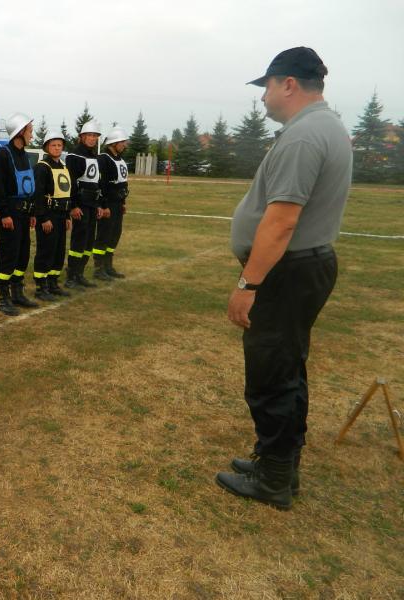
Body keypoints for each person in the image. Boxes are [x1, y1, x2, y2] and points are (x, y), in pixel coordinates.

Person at [215, 47, 352, 510]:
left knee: (271, 373)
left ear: (288, 84)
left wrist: (248, 285)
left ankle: (273, 478)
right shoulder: (324, 126)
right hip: (302, 267)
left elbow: (281, 221)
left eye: (268, 86)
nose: (263, 97)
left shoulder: (304, 136)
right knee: (287, 368)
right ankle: (279, 464)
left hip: (286, 272)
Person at [0, 112, 38, 315]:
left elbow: (29, 187)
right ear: (19, 132)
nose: (32, 135)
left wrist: (32, 212)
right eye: (29, 131)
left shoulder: (24, 155)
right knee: (8, 255)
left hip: (25, 214)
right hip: (11, 213)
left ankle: (17, 292)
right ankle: (4, 298)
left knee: (22, 254)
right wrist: (4, 214)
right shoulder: (4, 154)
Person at [32, 130, 73, 301]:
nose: (57, 148)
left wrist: (68, 216)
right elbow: (38, 195)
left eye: (59, 145)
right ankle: (41, 286)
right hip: (49, 216)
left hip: (61, 216)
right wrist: (44, 218)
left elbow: (66, 193)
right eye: (53, 145)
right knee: (46, 250)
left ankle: (53, 283)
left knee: (58, 251)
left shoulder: (63, 166)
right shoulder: (42, 167)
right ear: (47, 147)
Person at [65, 120, 103, 289]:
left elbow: (96, 182)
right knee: (78, 241)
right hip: (80, 204)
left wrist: (99, 204)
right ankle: (71, 276)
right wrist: (73, 206)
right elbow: (71, 182)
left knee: (88, 241)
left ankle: (79, 274)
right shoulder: (74, 156)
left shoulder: (93, 156)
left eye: (95, 136)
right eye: (90, 135)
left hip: (92, 204)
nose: (93, 138)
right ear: (82, 137)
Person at [94, 127, 129, 280]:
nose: (124, 145)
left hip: (117, 203)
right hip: (107, 204)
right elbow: (101, 184)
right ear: (114, 143)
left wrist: (123, 202)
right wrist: (104, 205)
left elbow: (122, 183)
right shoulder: (103, 159)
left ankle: (108, 266)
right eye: (122, 142)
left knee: (114, 235)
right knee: (104, 235)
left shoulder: (119, 159)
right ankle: (99, 268)